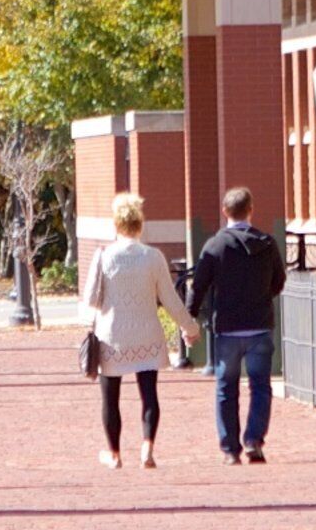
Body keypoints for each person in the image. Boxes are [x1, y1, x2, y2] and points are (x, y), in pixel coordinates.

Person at [78, 193, 190, 469]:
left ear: (116, 225)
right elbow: (170, 297)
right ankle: (147, 447)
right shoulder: (153, 257)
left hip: (112, 335)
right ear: (140, 224)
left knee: (110, 397)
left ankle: (114, 454)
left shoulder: (103, 256)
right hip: (146, 333)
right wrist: (189, 327)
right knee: (149, 393)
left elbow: (91, 298)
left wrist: (87, 321)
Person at [189, 184, 286, 464]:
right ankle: (254, 440)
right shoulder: (267, 243)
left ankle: (230, 449)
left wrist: (190, 320)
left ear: (224, 212)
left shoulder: (215, 245)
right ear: (251, 210)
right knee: (260, 386)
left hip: (228, 329)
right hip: (259, 326)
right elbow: (278, 281)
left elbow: (199, 286)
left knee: (226, 388)